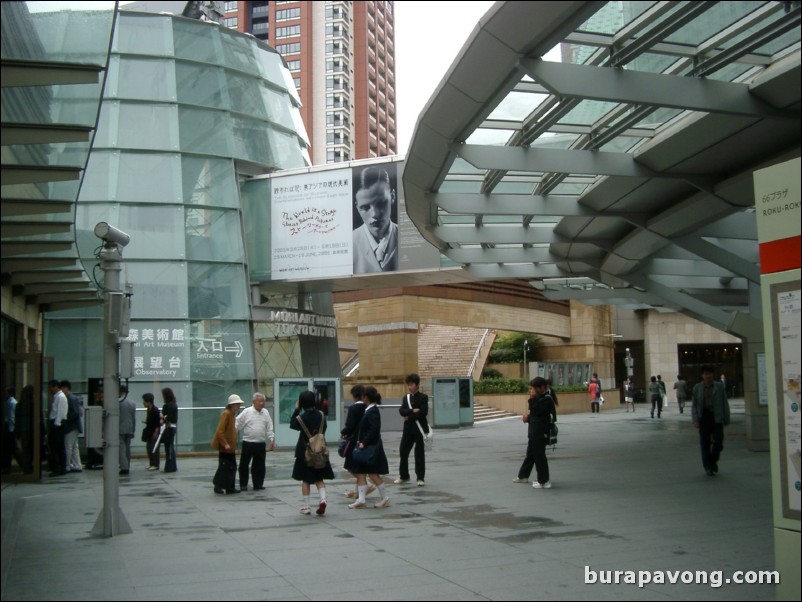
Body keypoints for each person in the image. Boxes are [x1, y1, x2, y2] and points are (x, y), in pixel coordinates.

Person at [290, 390, 334, 515]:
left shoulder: (301, 418)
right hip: (320, 451)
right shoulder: (321, 414)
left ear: (302, 402)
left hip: (305, 453)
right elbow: (324, 428)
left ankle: (307, 506)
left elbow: (292, 425)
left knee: (305, 480)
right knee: (319, 478)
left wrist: (297, 409)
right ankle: (323, 499)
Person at [348, 386, 391, 509]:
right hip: (367, 447)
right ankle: (361, 499)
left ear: (366, 397)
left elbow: (374, 430)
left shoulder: (373, 411)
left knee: (373, 474)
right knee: (361, 473)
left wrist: (364, 442)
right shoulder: (369, 409)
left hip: (371, 448)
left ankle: (385, 498)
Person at [352, 165, 398, 273]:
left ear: (393, 197)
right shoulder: (349, 244)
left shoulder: (408, 238)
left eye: (381, 204)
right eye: (365, 208)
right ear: (357, 207)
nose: (375, 214)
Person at [513, 377, 557, 488]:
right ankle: (523, 476)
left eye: (534, 388)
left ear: (542, 387)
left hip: (540, 432)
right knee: (531, 454)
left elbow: (538, 413)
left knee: (539, 456)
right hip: (534, 431)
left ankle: (544, 481)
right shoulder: (541, 398)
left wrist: (532, 399)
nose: (532, 390)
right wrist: (528, 418)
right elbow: (535, 413)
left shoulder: (546, 399)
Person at [692, 365, 731, 476]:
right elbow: (694, 405)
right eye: (705, 374)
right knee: (705, 443)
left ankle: (712, 461)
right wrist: (695, 419)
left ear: (713, 374)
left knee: (718, 442)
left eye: (709, 373)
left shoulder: (719, 386)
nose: (707, 376)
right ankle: (708, 467)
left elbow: (724, 402)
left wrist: (726, 418)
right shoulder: (697, 388)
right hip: (704, 417)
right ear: (702, 375)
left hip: (716, 417)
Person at [235, 392, 275, 491]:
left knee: (259, 466)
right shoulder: (247, 411)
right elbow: (237, 423)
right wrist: (232, 435)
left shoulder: (265, 412)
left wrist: (271, 438)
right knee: (244, 464)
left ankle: (258, 484)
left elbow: (269, 426)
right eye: (259, 401)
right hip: (248, 442)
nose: (262, 403)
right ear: (253, 402)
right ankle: (243, 484)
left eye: (263, 401)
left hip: (260, 443)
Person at [395, 373, 429, 487]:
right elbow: (401, 411)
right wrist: (411, 411)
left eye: (412, 384)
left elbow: (423, 413)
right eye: (408, 385)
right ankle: (404, 476)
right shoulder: (406, 398)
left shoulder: (423, 397)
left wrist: (408, 416)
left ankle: (420, 478)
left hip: (419, 429)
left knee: (419, 453)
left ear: (417, 385)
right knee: (403, 451)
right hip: (408, 429)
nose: (410, 387)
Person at [342, 384, 370, 499]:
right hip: (365, 440)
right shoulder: (367, 407)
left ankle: (366, 485)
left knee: (350, 466)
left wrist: (343, 432)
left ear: (354, 395)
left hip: (354, 440)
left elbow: (350, 425)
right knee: (360, 466)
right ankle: (359, 492)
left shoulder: (353, 408)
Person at [212, 394, 244, 494]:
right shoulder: (227, 414)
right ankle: (222, 485)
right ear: (232, 405)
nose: (238, 406)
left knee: (229, 466)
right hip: (226, 447)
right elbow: (220, 431)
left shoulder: (230, 414)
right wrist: (225, 443)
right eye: (237, 404)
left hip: (229, 446)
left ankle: (228, 486)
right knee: (227, 466)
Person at [61, 381, 83, 473]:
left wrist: (65, 419)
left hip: (71, 426)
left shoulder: (70, 398)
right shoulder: (72, 398)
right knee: (74, 447)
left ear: (66, 388)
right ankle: (77, 465)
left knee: (68, 446)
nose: (61, 390)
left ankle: (67, 466)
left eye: (62, 388)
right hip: (75, 426)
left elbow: (75, 412)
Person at [47, 379, 68, 476]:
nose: (50, 389)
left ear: (55, 386)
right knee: (56, 447)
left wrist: (57, 423)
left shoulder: (61, 397)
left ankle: (59, 468)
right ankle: (58, 467)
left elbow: (61, 412)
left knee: (57, 447)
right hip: (56, 423)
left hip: (58, 424)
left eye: (51, 387)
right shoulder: (57, 397)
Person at [15, 385, 35, 474]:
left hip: (24, 431)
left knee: (25, 451)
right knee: (32, 450)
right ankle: (31, 468)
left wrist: (17, 433)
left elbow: (17, 420)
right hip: (32, 431)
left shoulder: (19, 405)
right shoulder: (33, 404)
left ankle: (27, 468)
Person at [118, 386, 136, 476]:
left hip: (120, 428)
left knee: (121, 448)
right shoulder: (132, 403)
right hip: (129, 428)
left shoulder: (118, 402)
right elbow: (133, 418)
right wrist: (133, 430)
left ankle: (124, 467)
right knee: (127, 448)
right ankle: (127, 465)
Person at [160, 387, 178, 472]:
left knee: (168, 447)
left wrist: (163, 417)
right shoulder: (174, 404)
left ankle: (169, 466)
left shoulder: (167, 406)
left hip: (168, 427)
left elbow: (166, 417)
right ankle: (172, 466)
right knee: (171, 446)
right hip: (173, 427)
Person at [141, 393, 161, 471]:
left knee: (154, 448)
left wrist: (156, 432)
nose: (143, 403)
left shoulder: (155, 410)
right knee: (149, 448)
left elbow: (157, 423)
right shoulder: (149, 409)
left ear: (148, 402)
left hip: (154, 431)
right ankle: (151, 463)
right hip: (149, 430)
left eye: (144, 401)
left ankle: (155, 464)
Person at [3, 387, 19, 472]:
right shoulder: (7, 402)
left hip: (10, 428)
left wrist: (12, 428)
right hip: (7, 427)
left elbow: (12, 417)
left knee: (12, 448)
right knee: (8, 449)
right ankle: (6, 466)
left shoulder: (12, 403)